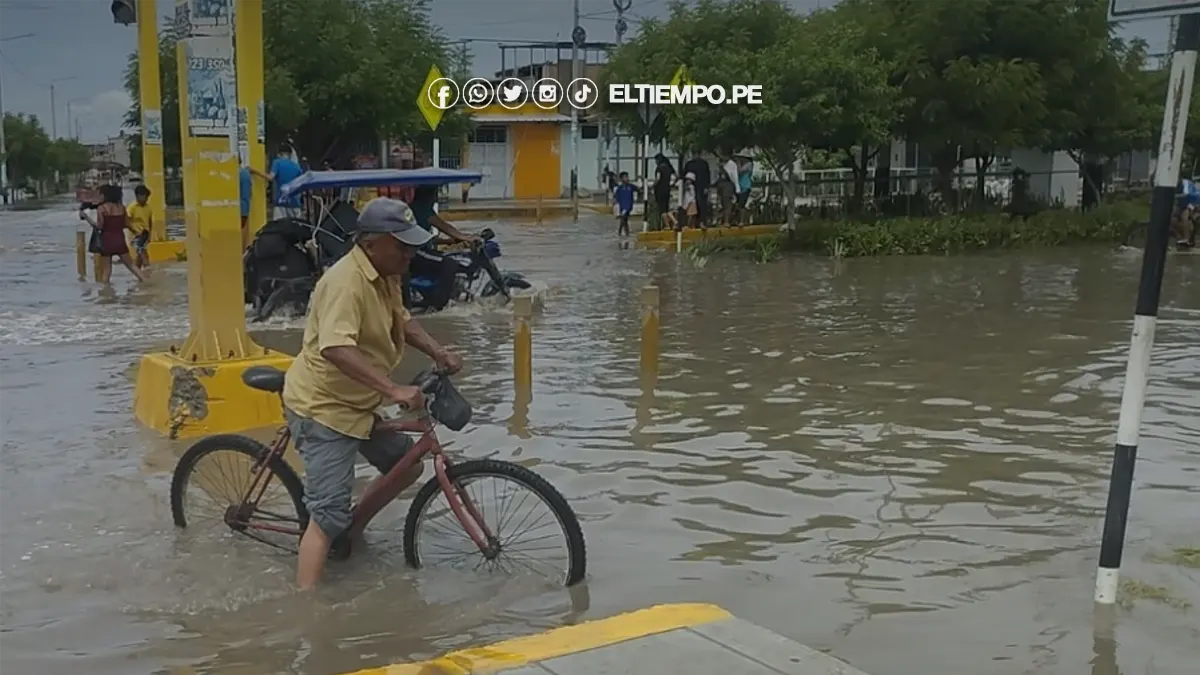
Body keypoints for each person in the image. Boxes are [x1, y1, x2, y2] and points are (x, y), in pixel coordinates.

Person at [281, 197, 464, 590]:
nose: (409, 253)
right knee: (325, 517)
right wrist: (393, 388)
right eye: (401, 245)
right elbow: (335, 346)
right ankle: (308, 617)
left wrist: (438, 352)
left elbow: (404, 321)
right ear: (371, 243)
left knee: (406, 464)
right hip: (324, 408)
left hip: (359, 402)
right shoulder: (345, 283)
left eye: (411, 245)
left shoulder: (387, 275)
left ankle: (353, 530)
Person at [405, 185, 481, 310]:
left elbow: (427, 238)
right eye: (436, 193)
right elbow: (444, 227)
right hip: (417, 252)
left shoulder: (419, 208)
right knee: (451, 263)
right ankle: (439, 304)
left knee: (450, 257)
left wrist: (450, 241)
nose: (437, 197)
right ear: (429, 194)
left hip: (422, 250)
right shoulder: (421, 208)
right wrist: (464, 237)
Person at [80, 184, 146, 283]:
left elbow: (99, 226)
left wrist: (86, 218)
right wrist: (137, 233)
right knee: (131, 266)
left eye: (101, 194)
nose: (100, 196)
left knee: (107, 271)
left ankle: (106, 294)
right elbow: (127, 224)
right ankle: (146, 283)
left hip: (106, 241)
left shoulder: (102, 208)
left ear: (106, 195)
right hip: (120, 240)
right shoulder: (122, 208)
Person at [251, 143, 305, 220]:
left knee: (278, 226)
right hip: (295, 202)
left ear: (281, 154)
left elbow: (270, 177)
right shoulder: (297, 167)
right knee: (295, 226)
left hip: (281, 201)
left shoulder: (277, 162)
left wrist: (254, 171)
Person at [127, 184, 153, 269]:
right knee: (142, 252)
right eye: (143, 196)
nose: (144, 199)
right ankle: (147, 267)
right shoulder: (132, 207)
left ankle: (137, 271)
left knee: (139, 255)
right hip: (135, 234)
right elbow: (127, 221)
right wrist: (134, 231)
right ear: (137, 196)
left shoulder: (148, 207)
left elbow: (150, 222)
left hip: (145, 234)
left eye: (146, 197)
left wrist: (150, 235)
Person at [682, 156, 711, 227]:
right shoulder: (703, 163)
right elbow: (707, 176)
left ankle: (698, 222)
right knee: (698, 205)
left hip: (696, 186)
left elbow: (684, 176)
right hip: (698, 186)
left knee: (698, 205)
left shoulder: (690, 164)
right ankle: (698, 222)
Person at [1175, 177, 1200, 248]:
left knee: (1184, 216)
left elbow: (1186, 193)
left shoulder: (1185, 183)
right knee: (1173, 219)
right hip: (1185, 203)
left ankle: (1186, 238)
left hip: (1195, 201)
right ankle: (1184, 235)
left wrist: (1173, 196)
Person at [653, 153, 675, 230]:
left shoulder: (659, 168)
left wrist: (654, 184)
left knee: (662, 209)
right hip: (667, 189)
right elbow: (676, 177)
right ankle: (675, 222)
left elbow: (658, 178)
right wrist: (673, 184)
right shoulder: (669, 168)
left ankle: (667, 225)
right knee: (666, 208)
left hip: (660, 190)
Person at [613, 171, 638, 237]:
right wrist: (615, 204)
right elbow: (615, 197)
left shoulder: (631, 186)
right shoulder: (620, 188)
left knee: (624, 219)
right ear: (621, 179)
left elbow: (639, 190)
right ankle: (624, 233)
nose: (627, 179)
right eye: (625, 177)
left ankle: (621, 232)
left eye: (627, 177)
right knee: (624, 219)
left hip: (629, 206)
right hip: (623, 207)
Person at [736, 156, 754, 224]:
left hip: (745, 186)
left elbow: (739, 171)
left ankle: (742, 221)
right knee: (738, 204)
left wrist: (738, 163)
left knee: (741, 204)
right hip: (740, 186)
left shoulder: (749, 164)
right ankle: (740, 220)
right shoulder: (743, 164)